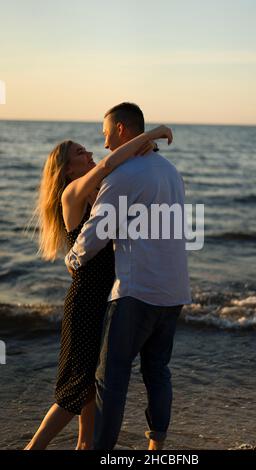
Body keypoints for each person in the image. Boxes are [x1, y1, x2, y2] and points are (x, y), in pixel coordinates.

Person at [24, 122, 172, 450]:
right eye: (80, 152)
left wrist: (145, 149)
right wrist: (150, 134)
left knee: (91, 383)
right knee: (73, 391)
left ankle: (85, 446)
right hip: (84, 303)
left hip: (105, 300)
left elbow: (122, 169)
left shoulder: (98, 191)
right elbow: (108, 163)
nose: (90, 152)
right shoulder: (72, 194)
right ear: (65, 169)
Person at [65, 102, 191, 450]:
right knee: (157, 372)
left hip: (137, 292)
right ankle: (156, 447)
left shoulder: (123, 176)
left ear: (121, 130)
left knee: (111, 379)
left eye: (106, 135)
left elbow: (96, 230)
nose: (105, 145)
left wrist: (73, 258)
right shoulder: (171, 171)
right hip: (175, 290)